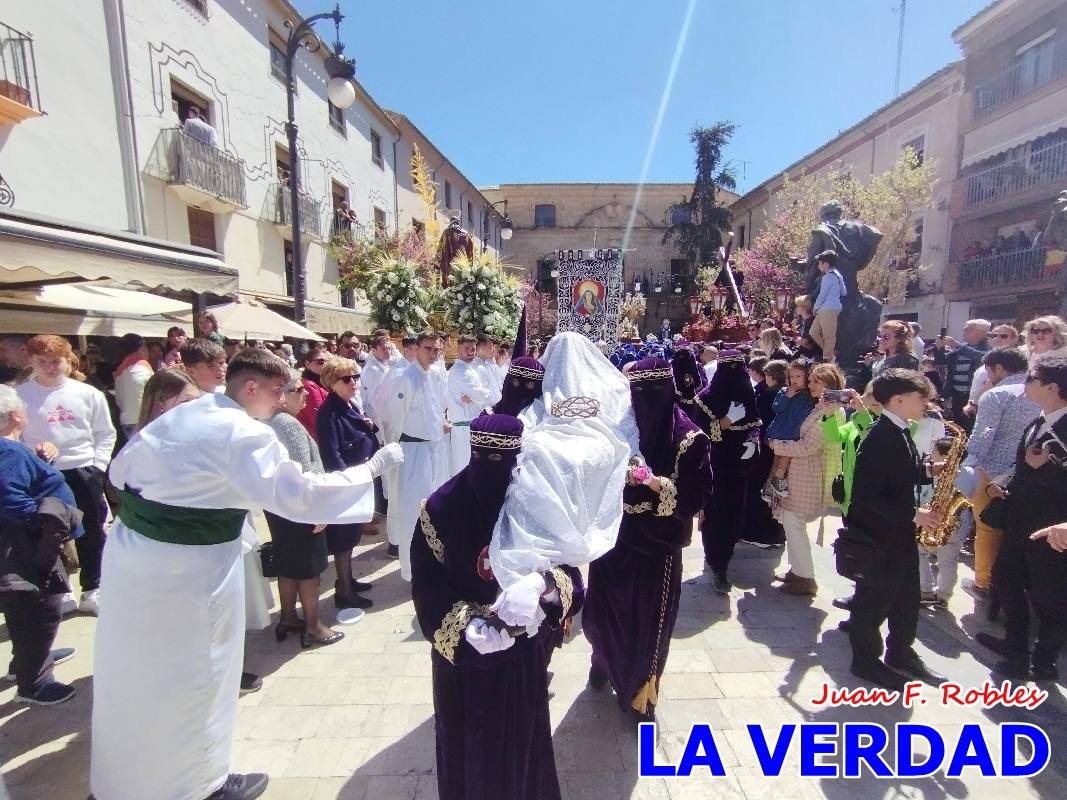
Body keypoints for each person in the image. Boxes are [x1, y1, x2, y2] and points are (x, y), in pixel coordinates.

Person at [90, 349, 403, 800]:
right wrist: (373, 467)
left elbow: (120, 473)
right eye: (277, 391)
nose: (281, 401)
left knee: (133, 677)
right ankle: (197, 785)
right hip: (188, 574)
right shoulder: (240, 432)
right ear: (250, 387)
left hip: (133, 560)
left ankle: (121, 784)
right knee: (199, 674)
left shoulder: (187, 412)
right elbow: (301, 495)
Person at [411, 414, 583, 800]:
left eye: (501, 461)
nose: (492, 471)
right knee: (464, 750)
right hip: (462, 664)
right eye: (482, 458)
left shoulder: (536, 505)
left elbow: (573, 574)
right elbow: (427, 588)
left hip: (522, 652)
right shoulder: (440, 508)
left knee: (522, 745)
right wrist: (462, 627)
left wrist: (544, 585)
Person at [583, 358, 711, 721]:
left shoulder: (688, 439)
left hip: (657, 547)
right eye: (638, 393)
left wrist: (655, 484)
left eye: (653, 393)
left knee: (647, 622)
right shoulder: (618, 428)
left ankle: (640, 692)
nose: (645, 403)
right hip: (613, 539)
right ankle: (603, 662)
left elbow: (696, 496)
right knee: (605, 609)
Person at [846, 369, 945, 691]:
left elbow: (897, 474)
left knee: (906, 599)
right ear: (899, 400)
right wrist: (914, 513)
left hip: (899, 534)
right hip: (880, 537)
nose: (926, 403)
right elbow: (865, 495)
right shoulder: (880, 436)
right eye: (921, 397)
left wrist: (928, 470)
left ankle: (901, 653)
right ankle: (865, 662)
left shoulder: (901, 430)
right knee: (873, 602)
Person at [976, 356, 1067, 680]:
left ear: (1053, 387)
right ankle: (1014, 644)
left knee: (1050, 598)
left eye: (1032, 379)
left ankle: (1043, 663)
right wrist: (1005, 482)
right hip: (1020, 520)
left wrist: (1051, 467)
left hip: (1053, 530)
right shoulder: (1038, 421)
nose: (1024, 384)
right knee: (1005, 578)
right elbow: (1025, 464)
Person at [18, 335, 115, 616]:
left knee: (92, 532)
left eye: (55, 361)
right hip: (41, 472)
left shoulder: (88, 394)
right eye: (42, 362)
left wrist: (97, 466)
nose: (50, 367)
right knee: (48, 534)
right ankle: (62, 590)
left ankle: (93, 588)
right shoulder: (21, 395)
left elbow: (105, 433)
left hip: (83, 469)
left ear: (68, 361)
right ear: (31, 362)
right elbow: (16, 436)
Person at [0, 385, 81, 706]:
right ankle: (33, 683)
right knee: (39, 611)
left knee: (26, 611)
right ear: (17, 415)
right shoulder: (8, 452)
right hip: (24, 549)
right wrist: (52, 520)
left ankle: (28, 662)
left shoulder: (13, 449)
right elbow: (11, 500)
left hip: (21, 546)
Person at [265, 371, 343, 647]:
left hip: (279, 507)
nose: (306, 393)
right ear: (281, 396)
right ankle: (313, 625)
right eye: (298, 390)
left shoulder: (270, 420)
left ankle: (287, 616)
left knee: (288, 564)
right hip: (301, 508)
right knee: (310, 570)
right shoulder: (288, 425)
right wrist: (318, 511)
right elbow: (305, 472)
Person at [959, 348, 1038, 599]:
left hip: (992, 471)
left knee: (988, 529)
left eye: (989, 371)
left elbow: (983, 436)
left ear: (999, 369)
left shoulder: (996, 394)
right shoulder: (1042, 393)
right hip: (1028, 472)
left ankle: (984, 583)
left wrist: (966, 466)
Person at [769, 363, 845, 596]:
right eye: (810, 381)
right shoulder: (819, 406)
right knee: (791, 522)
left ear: (828, 384)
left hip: (808, 473)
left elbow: (810, 445)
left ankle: (805, 576)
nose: (810, 386)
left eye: (815, 382)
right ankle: (797, 570)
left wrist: (777, 445)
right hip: (800, 471)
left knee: (794, 522)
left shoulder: (831, 410)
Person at [378, 332, 450, 580]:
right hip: (413, 453)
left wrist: (440, 425)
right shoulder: (406, 378)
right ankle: (412, 569)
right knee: (412, 511)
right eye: (428, 348)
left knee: (432, 510)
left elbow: (434, 410)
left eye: (436, 349)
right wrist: (396, 452)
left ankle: (430, 561)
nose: (433, 353)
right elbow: (392, 420)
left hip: (433, 449)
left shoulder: (432, 376)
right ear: (416, 348)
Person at [314, 355, 378, 610]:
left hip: (357, 477)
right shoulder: (330, 411)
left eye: (355, 377)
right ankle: (344, 590)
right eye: (346, 379)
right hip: (346, 482)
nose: (353, 383)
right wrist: (348, 484)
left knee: (351, 537)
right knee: (343, 539)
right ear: (332, 382)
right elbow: (332, 454)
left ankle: (347, 580)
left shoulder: (349, 405)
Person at [700, 351, 766, 591]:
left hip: (740, 467)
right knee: (716, 515)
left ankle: (724, 557)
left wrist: (752, 441)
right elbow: (701, 433)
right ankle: (717, 562)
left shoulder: (747, 394)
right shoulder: (706, 399)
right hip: (715, 467)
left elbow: (756, 423)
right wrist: (726, 421)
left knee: (734, 515)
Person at [764, 358, 817, 499]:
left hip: (794, 432)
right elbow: (776, 408)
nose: (794, 380)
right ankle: (775, 482)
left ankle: (771, 486)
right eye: (791, 376)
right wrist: (787, 396)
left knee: (782, 459)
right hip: (781, 431)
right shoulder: (784, 391)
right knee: (780, 458)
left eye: (798, 376)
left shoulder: (809, 394)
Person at [445, 335, 491, 476]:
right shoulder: (460, 371)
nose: (470, 352)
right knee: (465, 469)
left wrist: (477, 397)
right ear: (458, 349)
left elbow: (481, 394)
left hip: (471, 425)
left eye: (473, 349)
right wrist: (480, 396)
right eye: (466, 348)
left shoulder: (469, 369)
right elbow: (482, 394)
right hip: (464, 427)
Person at [937, 319, 990, 428]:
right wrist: (939, 348)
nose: (964, 332)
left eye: (967, 330)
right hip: (957, 394)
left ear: (980, 332)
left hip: (974, 396)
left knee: (971, 426)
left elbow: (982, 357)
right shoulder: (962, 348)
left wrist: (957, 345)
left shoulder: (988, 347)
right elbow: (942, 361)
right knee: (958, 425)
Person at [964, 323, 1018, 414]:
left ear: (1014, 340)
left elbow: (992, 382)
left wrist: (973, 404)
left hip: (993, 409)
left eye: (1003, 336)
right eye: (993, 335)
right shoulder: (991, 357)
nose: (997, 339)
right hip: (979, 407)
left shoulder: (1009, 359)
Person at [113, 333, 154, 438]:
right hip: (143, 419)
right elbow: (155, 392)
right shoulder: (142, 365)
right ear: (142, 347)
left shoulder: (120, 369)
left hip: (126, 420)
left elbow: (118, 400)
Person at [136, 368, 201, 430]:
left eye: (197, 400)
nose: (195, 407)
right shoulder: (147, 440)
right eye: (186, 401)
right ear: (161, 405)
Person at [810, 250, 846, 362]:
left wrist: (815, 307)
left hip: (829, 308)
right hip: (826, 308)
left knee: (828, 335)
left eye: (820, 263)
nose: (818, 265)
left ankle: (828, 358)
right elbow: (844, 292)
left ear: (825, 264)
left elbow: (822, 294)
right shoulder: (837, 275)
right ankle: (829, 352)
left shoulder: (828, 277)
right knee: (813, 332)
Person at [295, 345, 330, 439]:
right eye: (321, 362)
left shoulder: (320, 382)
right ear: (307, 364)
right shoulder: (309, 385)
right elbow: (319, 417)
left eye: (328, 362)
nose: (326, 365)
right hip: (318, 437)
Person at [360, 333, 392, 421]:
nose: (388, 351)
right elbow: (368, 398)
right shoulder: (372, 370)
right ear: (374, 351)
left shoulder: (385, 366)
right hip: (377, 419)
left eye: (389, 348)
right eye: (383, 348)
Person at [473, 333, 503, 406]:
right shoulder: (478, 367)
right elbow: (481, 393)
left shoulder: (486, 365)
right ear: (482, 348)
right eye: (490, 347)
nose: (492, 350)